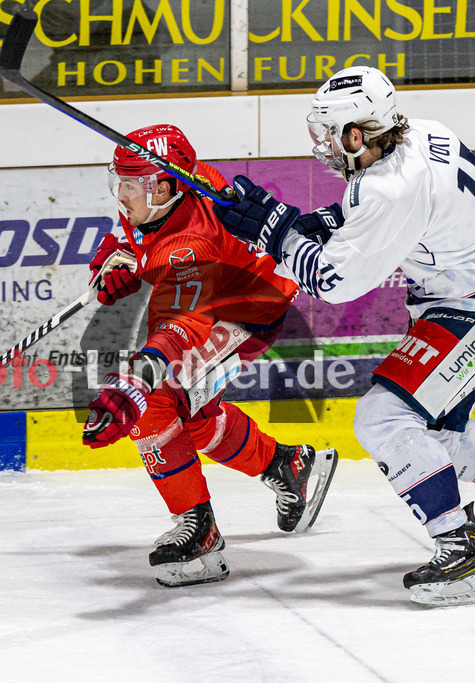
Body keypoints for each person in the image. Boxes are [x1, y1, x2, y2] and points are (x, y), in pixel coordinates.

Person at [212, 66, 475, 606]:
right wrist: (286, 221)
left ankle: (461, 554)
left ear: (357, 134)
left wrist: (277, 234)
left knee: (384, 418)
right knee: (429, 438)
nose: (323, 144)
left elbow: (332, 281)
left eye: (330, 132)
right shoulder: (418, 132)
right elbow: (363, 219)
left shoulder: (390, 188)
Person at [81, 124, 339, 588]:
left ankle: (200, 532)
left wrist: (137, 380)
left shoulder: (192, 245)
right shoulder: (174, 186)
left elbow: (183, 328)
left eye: (131, 184)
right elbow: (134, 240)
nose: (122, 194)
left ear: (162, 188)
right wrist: (112, 263)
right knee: (188, 415)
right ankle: (286, 465)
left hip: (244, 311)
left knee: (156, 401)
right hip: (223, 296)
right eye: (119, 180)